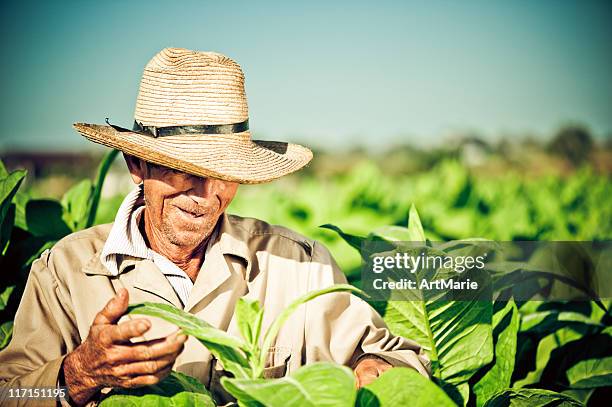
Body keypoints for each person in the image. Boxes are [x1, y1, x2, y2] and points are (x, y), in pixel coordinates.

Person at [0, 48, 430, 406]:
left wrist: (378, 375)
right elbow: (11, 393)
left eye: (224, 173)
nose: (206, 195)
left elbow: (398, 363)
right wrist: (77, 375)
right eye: (184, 172)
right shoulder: (67, 271)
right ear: (137, 165)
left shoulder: (299, 265)